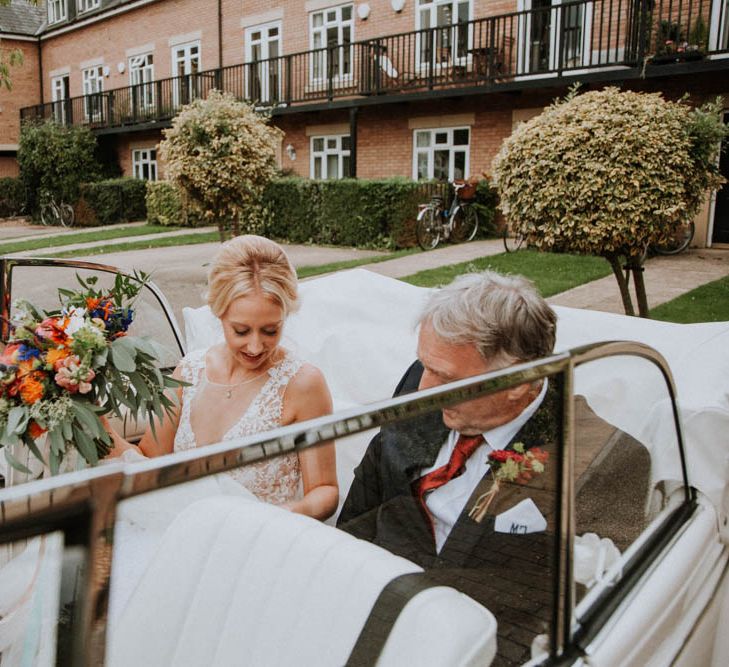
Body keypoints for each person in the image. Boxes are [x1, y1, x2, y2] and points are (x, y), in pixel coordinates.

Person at [337, 270, 560, 665]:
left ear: (519, 381)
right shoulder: (420, 385)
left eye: (447, 377)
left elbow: (556, 612)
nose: (424, 389)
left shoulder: (593, 453)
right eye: (425, 365)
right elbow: (360, 513)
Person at [107, 235, 338, 521]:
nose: (255, 347)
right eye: (241, 330)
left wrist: (284, 516)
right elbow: (150, 463)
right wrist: (94, 424)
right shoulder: (188, 372)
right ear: (218, 312)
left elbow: (325, 490)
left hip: (261, 536)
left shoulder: (303, 384)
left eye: (270, 331)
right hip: (183, 530)